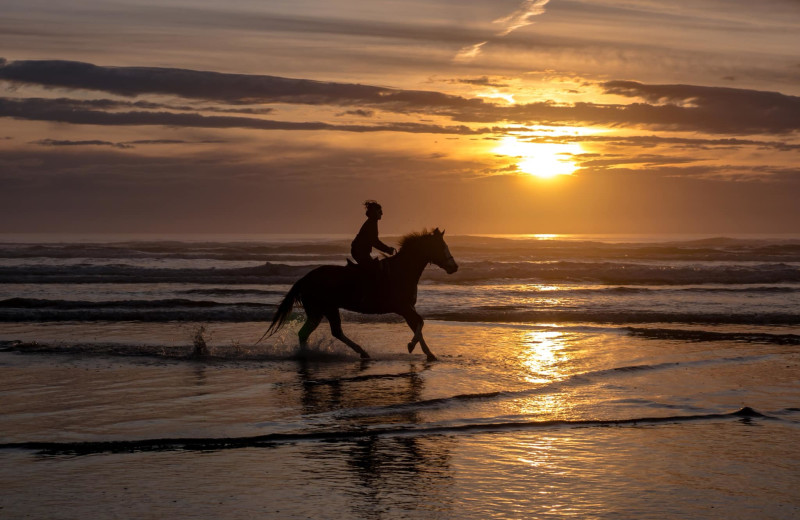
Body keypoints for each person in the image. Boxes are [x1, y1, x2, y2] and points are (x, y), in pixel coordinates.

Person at [351, 200, 396, 267]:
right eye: (379, 211)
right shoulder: (371, 223)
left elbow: (374, 241)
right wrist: (387, 249)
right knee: (372, 270)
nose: (382, 213)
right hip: (359, 252)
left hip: (360, 251)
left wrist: (387, 249)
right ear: (374, 212)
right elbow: (374, 241)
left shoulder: (372, 222)